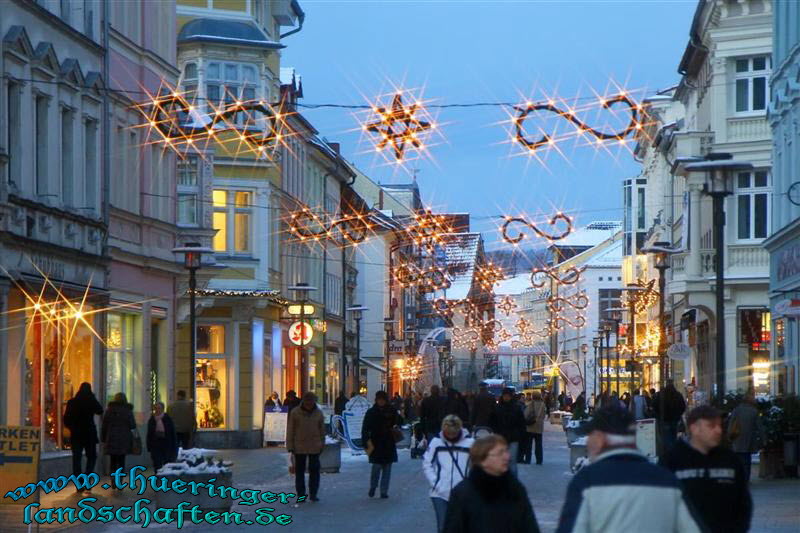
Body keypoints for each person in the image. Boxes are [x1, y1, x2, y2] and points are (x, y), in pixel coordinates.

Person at [555, 406, 701, 533]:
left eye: (590, 437)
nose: (588, 443)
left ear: (600, 439)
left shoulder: (587, 482)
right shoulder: (668, 482)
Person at [660, 405, 752, 532]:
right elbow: (662, 503)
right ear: (694, 428)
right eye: (711, 426)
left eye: (719, 425)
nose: (718, 430)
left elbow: (743, 501)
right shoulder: (673, 460)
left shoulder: (730, 460)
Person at [443, 435, 540, 533]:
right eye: (500, 453)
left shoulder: (515, 489)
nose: (507, 457)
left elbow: (529, 526)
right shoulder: (463, 493)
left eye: (506, 451)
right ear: (482, 460)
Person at [423, 415, 474, 533]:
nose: (450, 437)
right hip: (439, 493)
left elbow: (478, 465)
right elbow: (427, 463)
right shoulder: (436, 442)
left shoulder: (470, 443)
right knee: (443, 527)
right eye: (448, 434)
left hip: (462, 493)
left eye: (453, 434)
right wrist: (435, 482)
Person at [63, 382, 103, 494]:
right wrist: (93, 398)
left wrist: (72, 428)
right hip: (89, 433)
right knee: (92, 457)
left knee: (77, 459)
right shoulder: (91, 401)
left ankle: (79, 483)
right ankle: (87, 478)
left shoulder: (72, 402)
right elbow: (100, 410)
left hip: (76, 435)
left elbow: (66, 419)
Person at [286, 391, 325, 503]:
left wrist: (322, 443)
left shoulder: (318, 413)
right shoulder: (295, 413)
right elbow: (290, 430)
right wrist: (290, 446)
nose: (309, 404)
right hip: (299, 446)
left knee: (314, 471)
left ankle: (313, 494)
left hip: (314, 446)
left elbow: (322, 430)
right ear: (304, 401)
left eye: (311, 402)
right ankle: (301, 495)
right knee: (299, 472)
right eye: (307, 402)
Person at [362, 390, 400, 498]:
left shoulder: (391, 410)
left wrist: (396, 422)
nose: (381, 402)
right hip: (376, 442)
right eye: (379, 400)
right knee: (376, 467)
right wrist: (365, 441)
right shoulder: (371, 412)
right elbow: (365, 427)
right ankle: (373, 486)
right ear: (376, 400)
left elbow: (399, 421)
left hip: (388, 442)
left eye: (382, 400)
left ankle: (384, 491)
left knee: (387, 468)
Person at [727, 390, 763, 482]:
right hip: (749, 439)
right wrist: (763, 438)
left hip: (737, 437)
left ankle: (739, 477)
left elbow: (731, 424)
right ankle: (746, 478)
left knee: (738, 459)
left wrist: (729, 436)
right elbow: (759, 427)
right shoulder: (754, 411)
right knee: (747, 460)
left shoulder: (737, 410)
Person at [101, 392, 137, 485]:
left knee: (113, 460)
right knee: (121, 460)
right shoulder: (128, 410)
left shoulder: (109, 410)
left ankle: (113, 479)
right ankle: (120, 480)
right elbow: (132, 425)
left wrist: (103, 438)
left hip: (112, 437)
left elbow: (104, 425)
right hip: (124, 439)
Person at [488, 387, 526, 476]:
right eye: (505, 396)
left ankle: (513, 483)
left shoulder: (516, 408)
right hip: (500, 437)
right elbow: (492, 422)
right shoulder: (497, 408)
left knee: (512, 461)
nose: (506, 398)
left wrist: (521, 435)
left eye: (508, 396)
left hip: (513, 437)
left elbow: (521, 423)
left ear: (511, 396)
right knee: (500, 461)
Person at [653, 380, 686, 453]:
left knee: (666, 437)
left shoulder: (661, 395)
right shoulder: (678, 395)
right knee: (674, 435)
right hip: (675, 419)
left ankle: (669, 452)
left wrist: (659, 415)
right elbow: (683, 407)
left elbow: (655, 406)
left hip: (664, 419)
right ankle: (673, 450)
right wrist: (678, 415)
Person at [146, 402, 177, 471]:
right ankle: (158, 479)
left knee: (167, 465)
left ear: (163, 409)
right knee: (157, 465)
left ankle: (165, 479)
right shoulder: (152, 420)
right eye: (156, 408)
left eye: (159, 408)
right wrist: (149, 446)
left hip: (166, 445)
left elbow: (172, 433)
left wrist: (174, 447)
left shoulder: (168, 419)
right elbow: (149, 434)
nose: (157, 410)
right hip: (155, 446)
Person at [524, 390, 546, 465]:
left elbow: (526, 415)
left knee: (528, 445)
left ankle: (528, 460)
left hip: (530, 427)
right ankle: (539, 460)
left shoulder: (531, 404)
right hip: (539, 428)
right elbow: (543, 416)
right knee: (539, 445)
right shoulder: (543, 405)